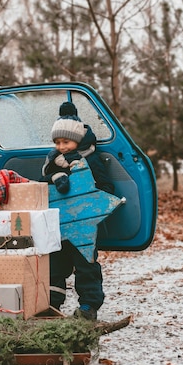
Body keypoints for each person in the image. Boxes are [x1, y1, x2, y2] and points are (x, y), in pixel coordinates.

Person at [41, 101, 115, 321]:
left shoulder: (90, 158)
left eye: (66, 142)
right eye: (58, 142)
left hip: (83, 225)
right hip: (59, 223)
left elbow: (105, 187)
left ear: (77, 139)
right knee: (55, 264)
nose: (61, 147)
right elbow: (41, 183)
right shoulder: (53, 160)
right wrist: (53, 177)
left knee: (86, 265)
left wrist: (85, 185)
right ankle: (52, 304)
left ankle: (88, 306)